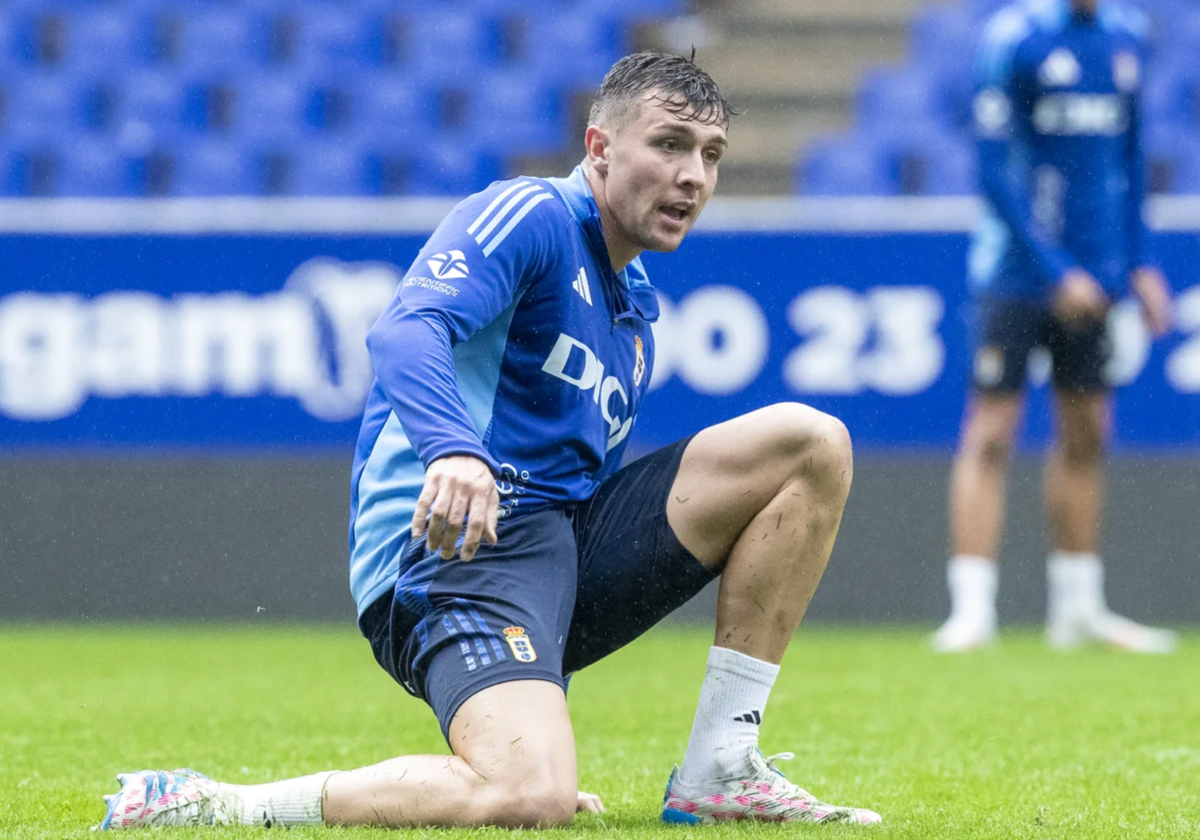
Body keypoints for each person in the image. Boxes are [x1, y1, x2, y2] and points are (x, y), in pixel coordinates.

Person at [96, 52, 881, 829]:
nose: (694, 176)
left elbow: (574, 509)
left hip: (549, 556)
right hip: (449, 551)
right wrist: (454, 450)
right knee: (528, 800)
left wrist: (535, 711)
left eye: (710, 156)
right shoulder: (530, 215)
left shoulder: (633, 316)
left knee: (810, 443)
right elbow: (406, 329)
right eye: (670, 144)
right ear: (600, 149)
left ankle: (720, 768)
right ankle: (218, 805)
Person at [933, 0, 1177, 653]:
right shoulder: (1013, 38)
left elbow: (1130, 161)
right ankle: (972, 611)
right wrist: (1054, 271)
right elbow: (993, 170)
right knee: (991, 429)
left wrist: (1141, 264)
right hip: (1014, 273)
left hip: (1097, 277)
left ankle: (1077, 608)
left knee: (1088, 431)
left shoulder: (1128, 37)